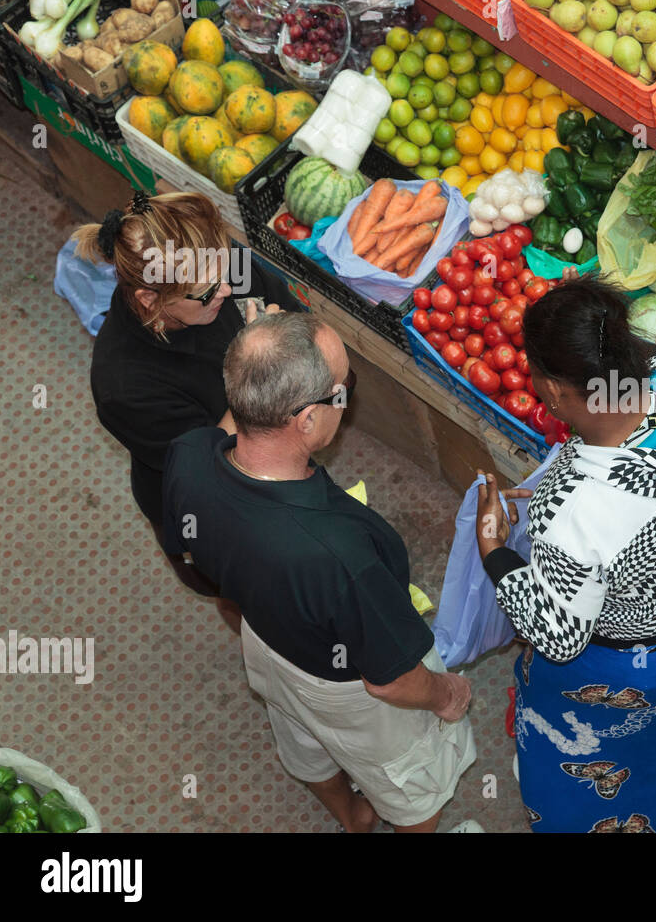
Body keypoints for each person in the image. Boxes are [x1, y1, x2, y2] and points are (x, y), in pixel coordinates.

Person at [161, 313, 476, 833]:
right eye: (342, 391)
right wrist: (448, 695)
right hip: (348, 688)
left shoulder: (188, 456)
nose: (347, 401)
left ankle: (352, 817)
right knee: (413, 789)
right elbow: (390, 682)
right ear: (306, 420)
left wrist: (263, 364)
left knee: (305, 742)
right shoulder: (339, 554)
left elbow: (206, 570)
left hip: (265, 647)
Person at [476, 276, 656, 833]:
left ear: (554, 393)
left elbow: (560, 635)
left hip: (644, 662)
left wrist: (494, 552)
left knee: (594, 744)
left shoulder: (574, 513)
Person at [79, 190, 290, 628]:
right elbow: (212, 466)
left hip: (273, 444)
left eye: (224, 267)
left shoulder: (216, 265)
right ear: (149, 299)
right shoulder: (124, 386)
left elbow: (286, 312)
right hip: (203, 502)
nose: (228, 289)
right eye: (208, 292)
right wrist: (254, 367)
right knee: (241, 592)